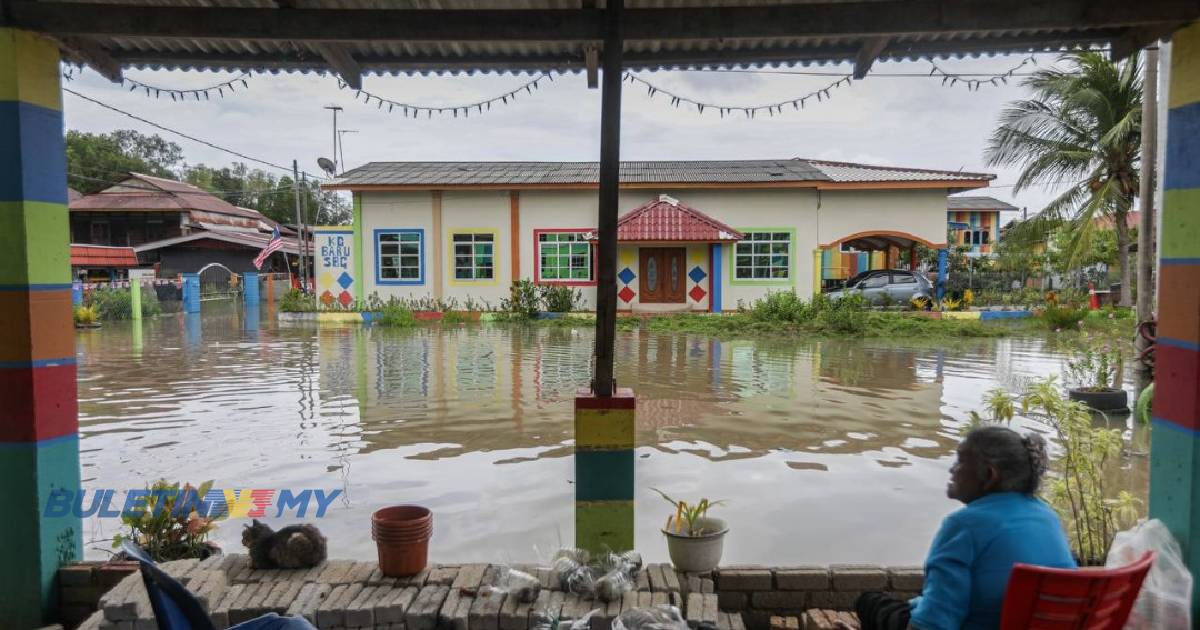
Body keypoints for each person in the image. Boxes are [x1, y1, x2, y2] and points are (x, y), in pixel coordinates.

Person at [854, 426, 1076, 630]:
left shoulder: (964, 526)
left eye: (960, 461)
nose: (952, 469)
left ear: (989, 476)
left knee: (871, 602)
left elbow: (934, 625)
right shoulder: (1047, 516)